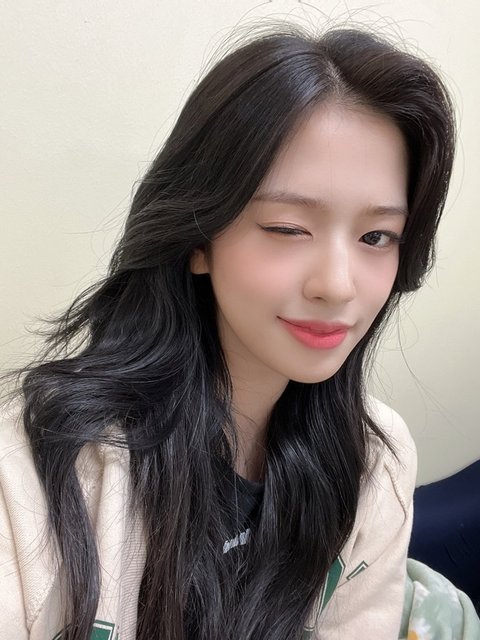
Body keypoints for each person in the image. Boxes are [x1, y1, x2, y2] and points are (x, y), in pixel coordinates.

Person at [0, 24, 457, 640]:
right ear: (198, 239)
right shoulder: (34, 473)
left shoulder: (374, 460)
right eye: (288, 229)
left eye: (376, 236)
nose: (338, 285)